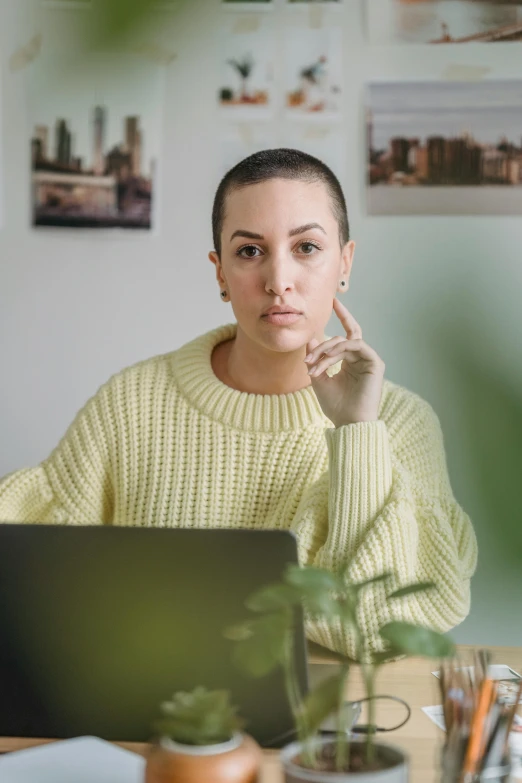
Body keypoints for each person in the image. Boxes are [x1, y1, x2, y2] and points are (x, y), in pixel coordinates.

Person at [0, 148, 477, 659]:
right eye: (250, 252)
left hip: (330, 721)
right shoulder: (132, 403)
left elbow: (384, 630)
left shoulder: (401, 422)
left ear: (345, 262)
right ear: (220, 273)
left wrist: (357, 431)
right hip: (155, 718)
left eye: (307, 247)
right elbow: (30, 563)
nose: (279, 281)